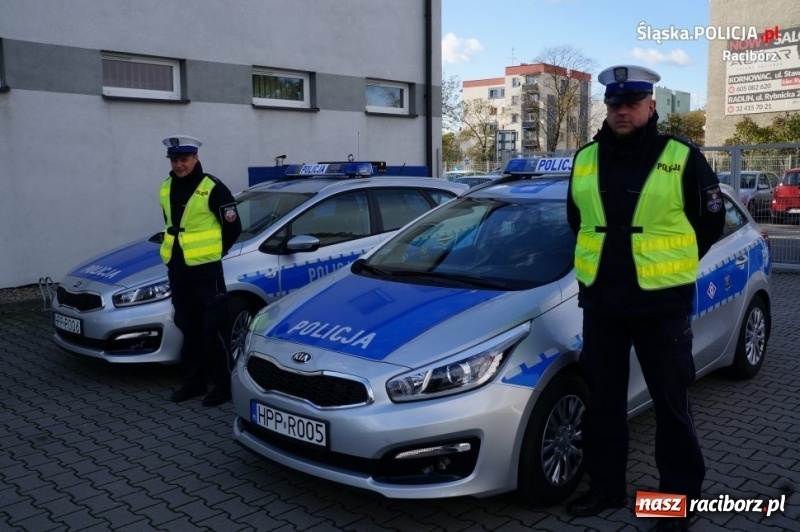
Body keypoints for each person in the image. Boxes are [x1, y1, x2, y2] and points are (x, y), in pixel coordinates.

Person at [565, 65, 725, 530]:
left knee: (671, 408)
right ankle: (606, 489)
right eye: (615, 104)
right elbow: (578, 222)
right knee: (603, 406)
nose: (622, 112)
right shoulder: (586, 158)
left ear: (651, 106)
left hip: (661, 307)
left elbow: (709, 222)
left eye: (632, 103)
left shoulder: (681, 156)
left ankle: (678, 505)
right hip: (602, 306)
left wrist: (669, 265)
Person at [159, 135, 242, 407]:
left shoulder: (213, 187)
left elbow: (232, 227)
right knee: (188, 327)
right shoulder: (167, 186)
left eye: (184, 159)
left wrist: (214, 254)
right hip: (179, 269)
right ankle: (193, 383)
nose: (179, 165)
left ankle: (223, 386)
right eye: (175, 160)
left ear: (195, 158)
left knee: (215, 329)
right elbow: (172, 225)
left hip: (206, 272)